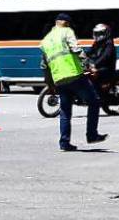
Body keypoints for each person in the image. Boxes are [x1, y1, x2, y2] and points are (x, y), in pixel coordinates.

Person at [40, 13, 105, 151]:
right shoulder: (66, 32)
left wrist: (50, 85)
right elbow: (77, 50)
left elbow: (44, 66)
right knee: (94, 101)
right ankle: (92, 134)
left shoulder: (45, 40)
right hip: (74, 75)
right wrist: (90, 66)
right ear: (65, 23)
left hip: (59, 79)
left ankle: (64, 142)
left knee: (65, 111)